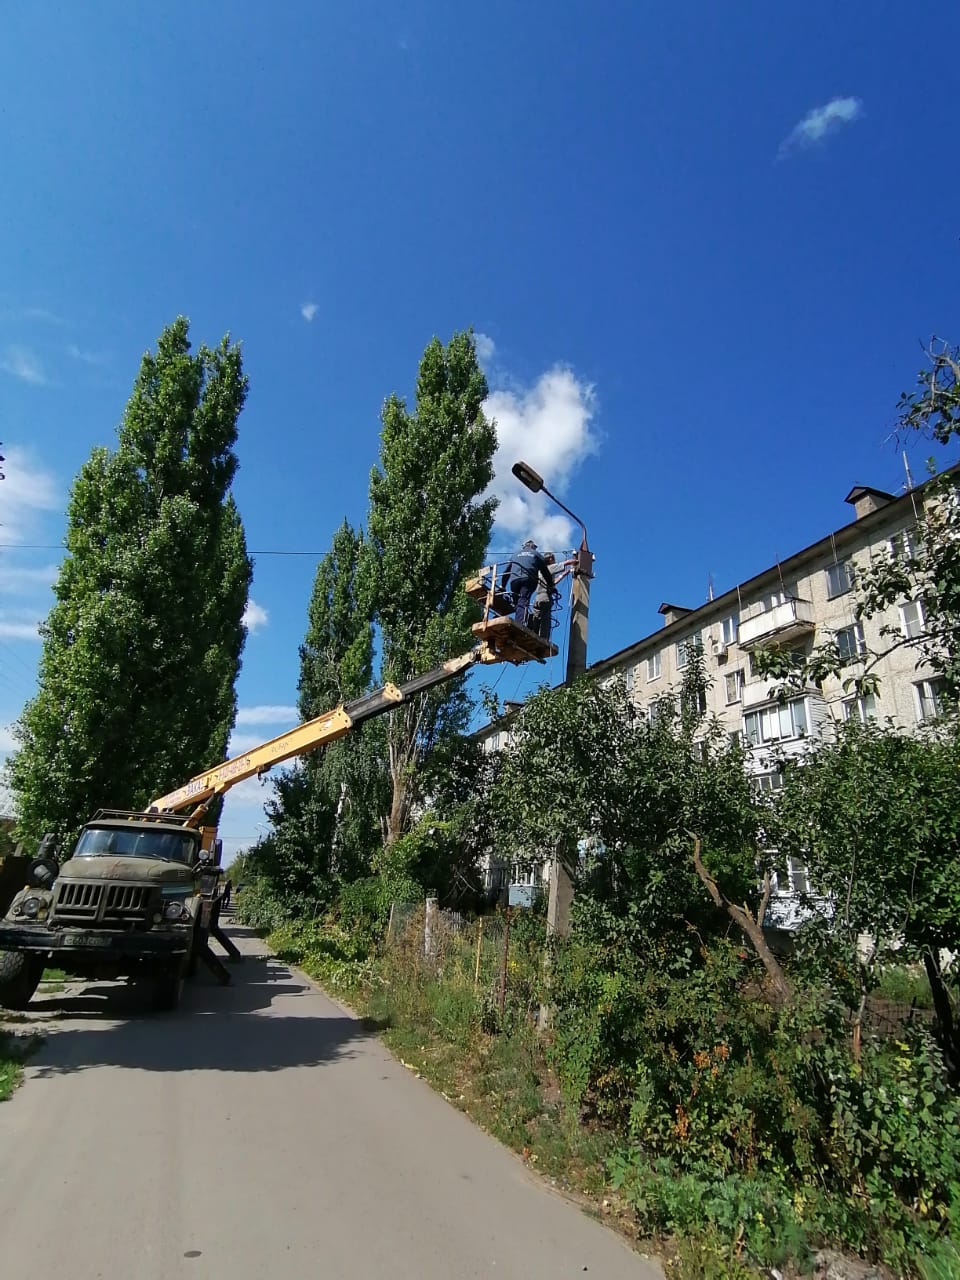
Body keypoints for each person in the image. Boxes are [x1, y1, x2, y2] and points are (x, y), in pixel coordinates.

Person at [507, 539, 555, 630]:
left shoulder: (515, 554)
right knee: (523, 600)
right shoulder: (536, 554)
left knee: (517, 602)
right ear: (532, 547)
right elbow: (545, 572)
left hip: (514, 580)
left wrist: (502, 585)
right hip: (528, 580)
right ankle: (519, 624)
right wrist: (551, 585)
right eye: (535, 547)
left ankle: (521, 618)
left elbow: (507, 570)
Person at [531, 552, 561, 640]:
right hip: (545, 596)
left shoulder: (539, 571)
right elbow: (562, 565)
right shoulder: (549, 568)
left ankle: (533, 633)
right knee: (545, 619)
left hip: (537, 598)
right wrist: (572, 562)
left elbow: (553, 582)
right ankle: (544, 638)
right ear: (551, 559)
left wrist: (564, 574)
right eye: (554, 559)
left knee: (536, 616)